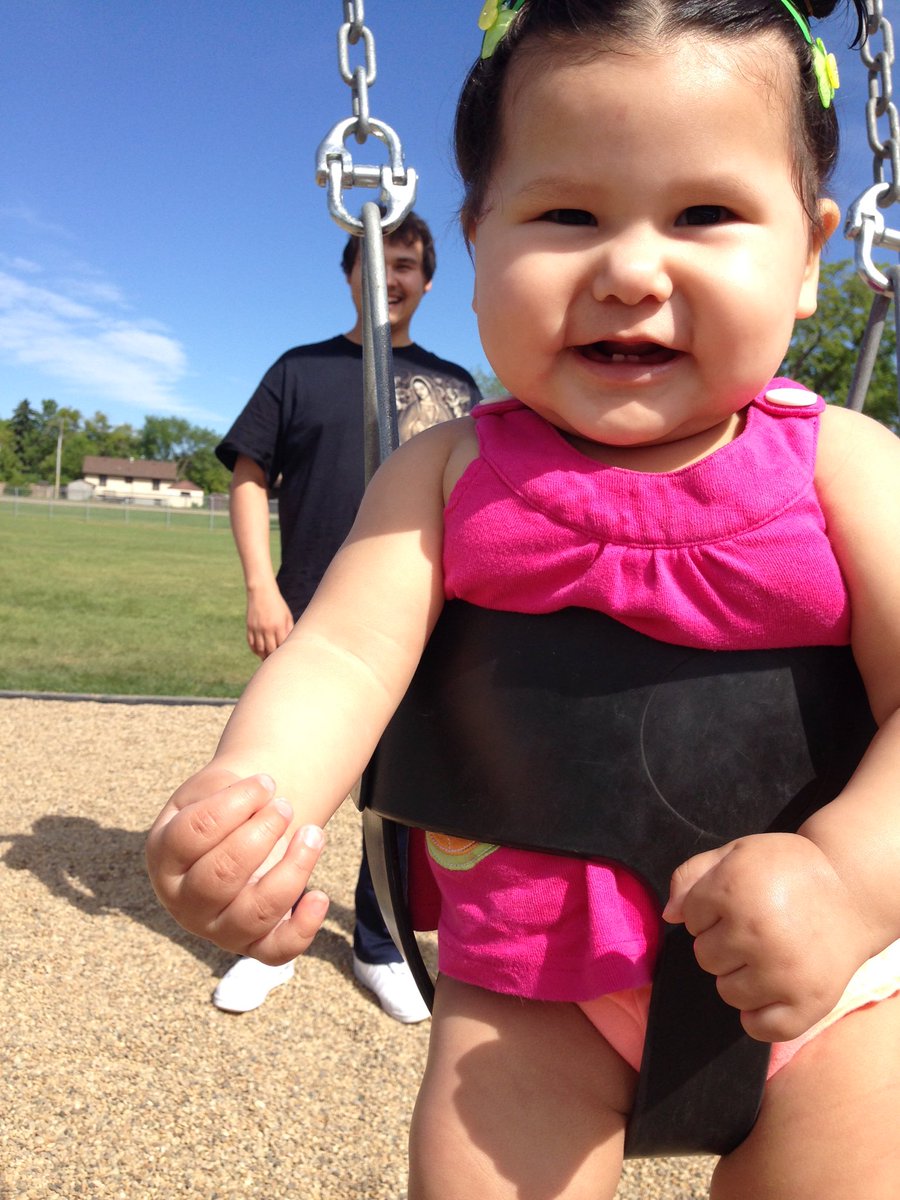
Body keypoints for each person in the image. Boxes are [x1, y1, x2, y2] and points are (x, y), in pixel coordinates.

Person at [147, 0, 900, 1195]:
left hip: (840, 985)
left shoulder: (850, 466)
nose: (632, 271)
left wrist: (856, 880)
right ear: (480, 233)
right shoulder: (444, 473)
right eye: (566, 216)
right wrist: (257, 804)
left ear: (811, 256)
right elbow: (342, 661)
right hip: (533, 988)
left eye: (705, 214)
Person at [210, 210, 481, 1020]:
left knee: (398, 791)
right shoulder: (299, 370)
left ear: (428, 282)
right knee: (286, 776)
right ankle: (269, 935)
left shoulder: (456, 386)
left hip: (425, 622)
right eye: (373, 260)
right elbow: (250, 478)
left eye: (405, 264)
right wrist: (263, 587)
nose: (389, 277)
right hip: (312, 615)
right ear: (349, 273)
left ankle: (379, 941)